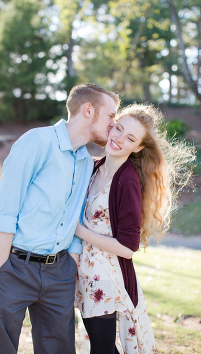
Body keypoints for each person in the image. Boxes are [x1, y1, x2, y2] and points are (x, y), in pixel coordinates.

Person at [0, 83, 120, 353]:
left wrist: (70, 262)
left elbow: (74, 215)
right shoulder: (37, 141)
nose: (113, 124)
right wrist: (1, 274)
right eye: (111, 116)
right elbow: (5, 209)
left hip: (59, 273)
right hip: (14, 266)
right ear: (88, 110)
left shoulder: (85, 161)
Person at [73, 104, 193, 354]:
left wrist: (79, 231)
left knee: (102, 349)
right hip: (85, 274)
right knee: (102, 347)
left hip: (105, 277)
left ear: (138, 148)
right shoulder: (96, 167)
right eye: (118, 129)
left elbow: (128, 248)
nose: (118, 139)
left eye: (130, 138)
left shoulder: (127, 181)